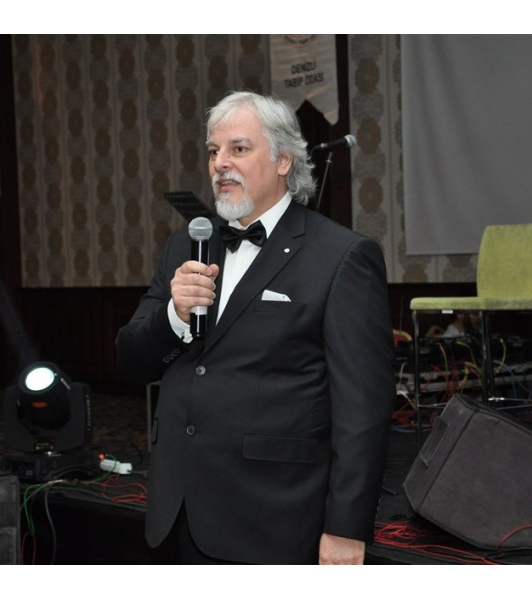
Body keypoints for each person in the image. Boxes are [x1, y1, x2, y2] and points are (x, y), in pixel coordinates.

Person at [115, 90, 395, 565]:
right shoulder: (186, 245)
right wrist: (174, 316)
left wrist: (346, 528)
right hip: (180, 510)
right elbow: (131, 361)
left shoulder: (341, 257)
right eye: (213, 151)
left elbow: (362, 410)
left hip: (273, 517)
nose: (220, 164)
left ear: (284, 160)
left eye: (238, 149)